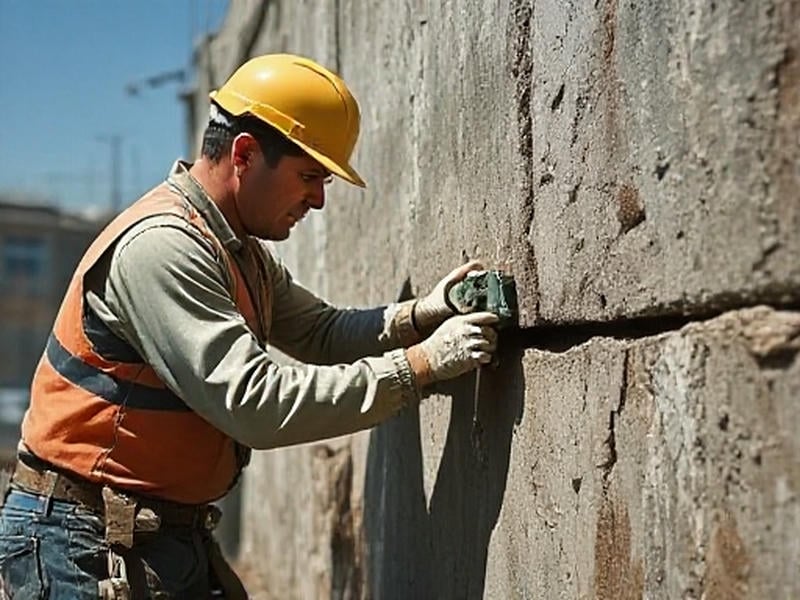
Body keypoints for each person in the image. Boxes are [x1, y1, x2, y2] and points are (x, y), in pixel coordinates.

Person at [0, 54, 498, 598]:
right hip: (80, 541)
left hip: (149, 533)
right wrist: (421, 366)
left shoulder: (236, 250)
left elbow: (320, 332)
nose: (319, 199)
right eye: (309, 176)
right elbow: (254, 405)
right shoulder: (164, 248)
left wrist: (421, 315)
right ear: (244, 154)